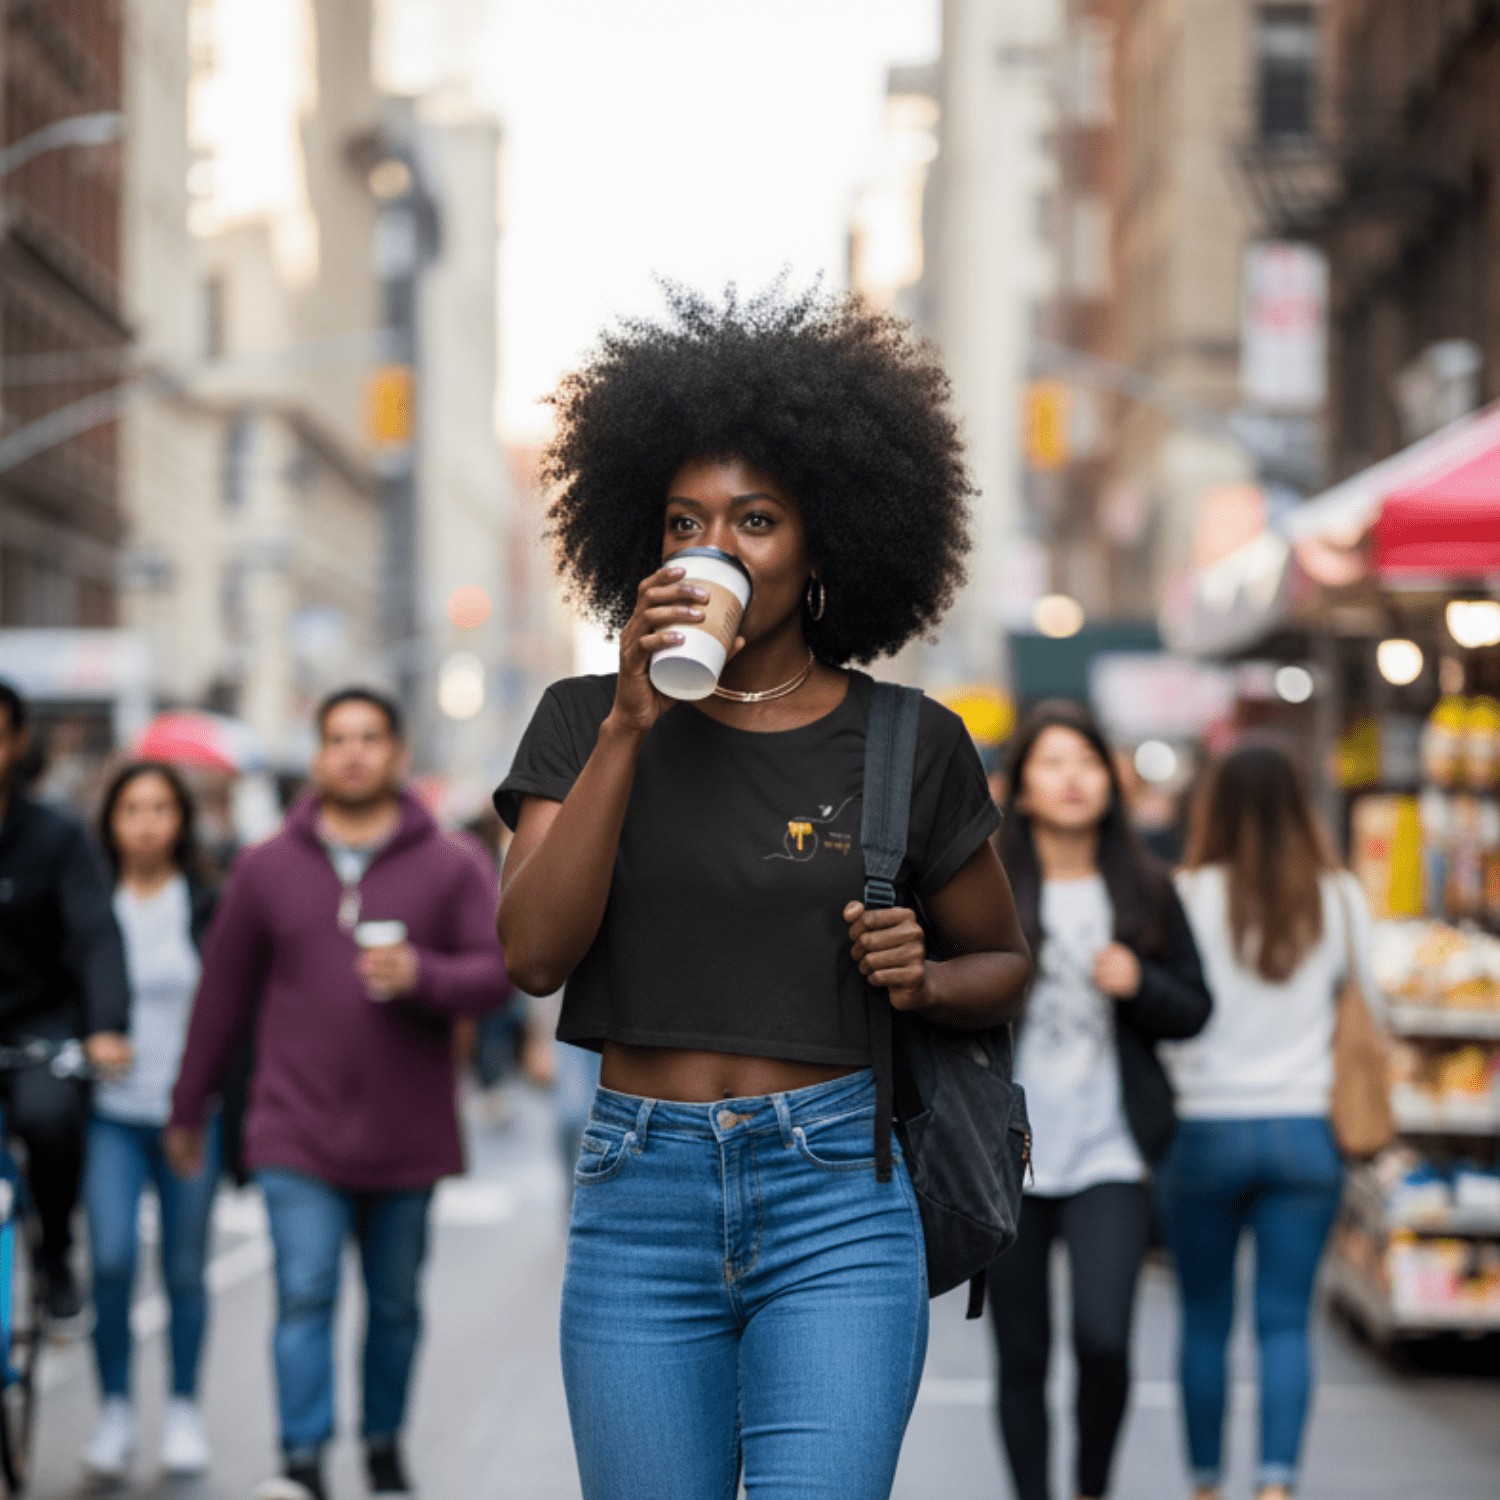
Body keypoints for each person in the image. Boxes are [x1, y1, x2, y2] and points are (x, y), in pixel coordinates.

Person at [495, 283, 1033, 1500]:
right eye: (686, 522)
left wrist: (926, 973)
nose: (714, 551)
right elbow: (530, 953)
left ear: (823, 541)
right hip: (639, 1195)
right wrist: (632, 726)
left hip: (838, 1196)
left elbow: (1003, 962)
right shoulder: (582, 721)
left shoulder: (912, 741)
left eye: (754, 520)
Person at [166, 688, 510, 1500]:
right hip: (295, 1129)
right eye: (338, 738)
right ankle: (303, 1464)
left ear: (396, 754)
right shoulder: (264, 867)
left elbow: (501, 974)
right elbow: (220, 996)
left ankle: (384, 1447)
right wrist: (188, 1109)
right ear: (318, 757)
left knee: (394, 1310)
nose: (353, 752)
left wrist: (423, 975)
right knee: (305, 1291)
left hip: (409, 1134)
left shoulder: (452, 864)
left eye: (370, 737)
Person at [990, 701, 1211, 1500]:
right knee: (1021, 1352)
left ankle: (1089, 1487)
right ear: (1021, 788)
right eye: (1051, 762)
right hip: (1007, 1158)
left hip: (1111, 1149)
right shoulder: (986, 886)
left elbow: (1195, 1007)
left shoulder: (1148, 886)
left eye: (1085, 761)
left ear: (1110, 782)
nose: (1072, 778)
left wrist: (1140, 984)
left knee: (1104, 1339)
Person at [1159, 745, 1375, 1500]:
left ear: (1211, 805)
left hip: (1201, 1130)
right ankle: (1276, 1484)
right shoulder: (1340, 895)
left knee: (1205, 1319)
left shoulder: (1183, 891)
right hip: (1305, 1133)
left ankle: (1208, 1484)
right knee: (1285, 1322)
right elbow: (1370, 1013)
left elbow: (1164, 1013)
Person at [82, 763, 221, 1478]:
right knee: (109, 1262)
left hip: (189, 1114)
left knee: (186, 1268)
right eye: (130, 808)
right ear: (109, 820)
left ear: (181, 819)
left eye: (160, 807)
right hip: (109, 1115)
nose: (144, 822)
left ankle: (183, 1407)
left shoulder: (203, 899)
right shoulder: (87, 900)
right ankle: (111, 1409)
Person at [0, 680, 131, 1321]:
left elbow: (96, 937)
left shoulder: (57, 836)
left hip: (37, 1024)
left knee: (51, 1119)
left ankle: (54, 1254)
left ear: (18, 742)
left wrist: (106, 1026)